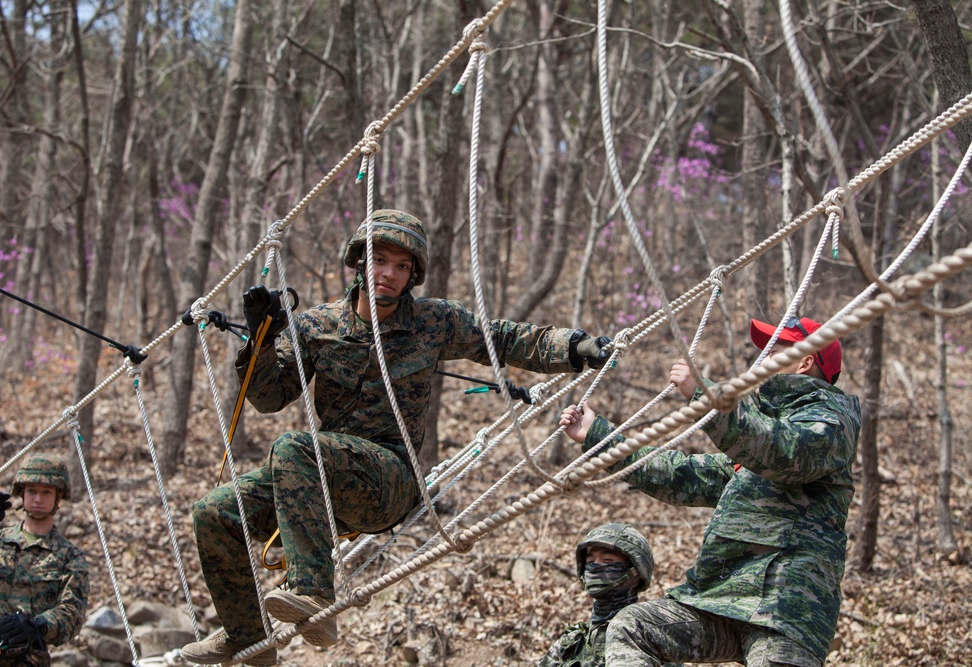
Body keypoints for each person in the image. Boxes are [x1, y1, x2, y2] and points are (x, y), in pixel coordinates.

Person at [181, 209, 613, 666]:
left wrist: (574, 347)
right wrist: (261, 341)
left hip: (389, 482)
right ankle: (248, 639)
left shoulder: (433, 321)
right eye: (379, 259)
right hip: (316, 482)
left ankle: (313, 594)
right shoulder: (316, 326)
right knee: (213, 512)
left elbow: (503, 339)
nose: (388, 273)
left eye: (402, 266)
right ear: (358, 262)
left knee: (293, 448)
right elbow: (269, 398)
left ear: (412, 275)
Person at [560, 316, 861, 667]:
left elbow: (782, 452)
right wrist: (597, 436)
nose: (762, 355)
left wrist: (704, 395)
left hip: (784, 611)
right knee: (632, 627)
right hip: (723, 600)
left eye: (774, 348)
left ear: (806, 360)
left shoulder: (830, 422)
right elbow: (680, 475)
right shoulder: (754, 441)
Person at [0, 454, 91, 667]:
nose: (38, 498)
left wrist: (38, 625)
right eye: (32, 491)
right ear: (22, 494)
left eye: (46, 492)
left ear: (59, 496)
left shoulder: (70, 556)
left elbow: (73, 613)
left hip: (27, 656)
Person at [539, 523, 659, 667]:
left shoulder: (650, 638)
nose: (595, 567)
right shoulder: (572, 643)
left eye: (608, 561)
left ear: (636, 571)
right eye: (590, 562)